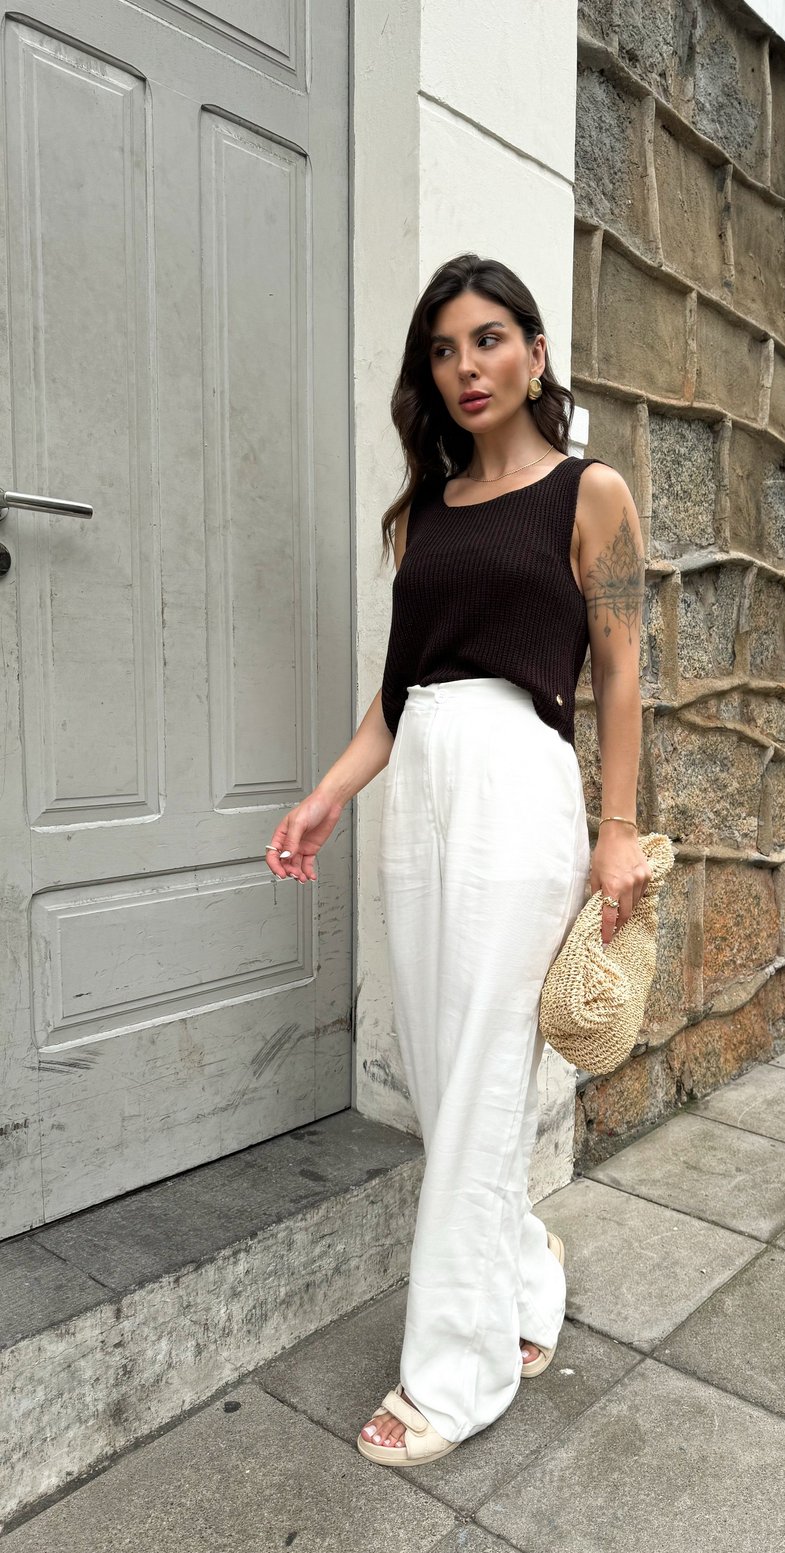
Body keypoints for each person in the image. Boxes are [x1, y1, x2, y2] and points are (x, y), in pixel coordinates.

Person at [264, 253, 649, 1465]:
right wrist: (329, 793)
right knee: (446, 1079)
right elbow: (397, 694)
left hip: (515, 788)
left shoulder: (592, 493)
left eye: (486, 339)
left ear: (534, 350)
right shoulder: (422, 514)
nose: (465, 367)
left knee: (482, 1070)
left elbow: (622, 670)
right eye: (442, 350)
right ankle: (524, 1269)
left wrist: (618, 828)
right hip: (422, 782)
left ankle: (452, 1374)